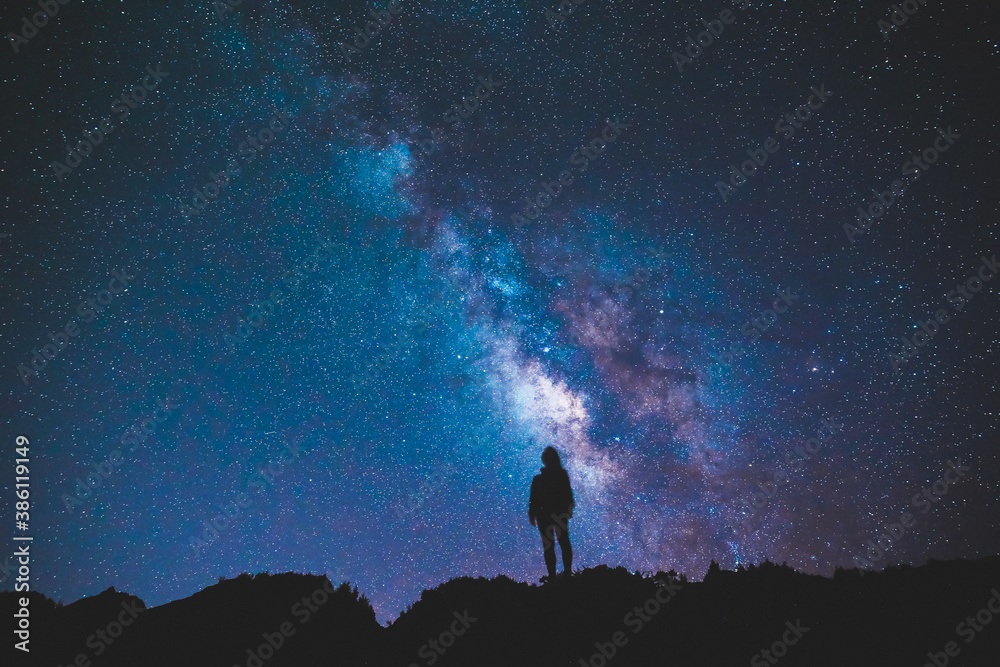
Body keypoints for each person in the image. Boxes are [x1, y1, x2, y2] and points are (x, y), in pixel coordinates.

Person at [528, 446, 574, 582]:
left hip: (555, 513)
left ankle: (564, 574)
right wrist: (532, 513)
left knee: (559, 543)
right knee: (553, 545)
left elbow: (568, 494)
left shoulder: (558, 475)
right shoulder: (540, 479)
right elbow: (533, 499)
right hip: (549, 514)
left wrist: (569, 508)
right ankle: (556, 576)